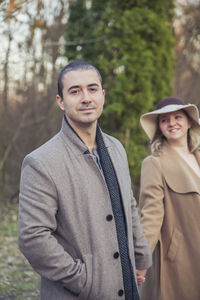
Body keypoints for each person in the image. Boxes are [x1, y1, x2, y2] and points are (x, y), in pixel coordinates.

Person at [18, 61, 152, 300]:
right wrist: (84, 281)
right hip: (80, 293)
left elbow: (128, 206)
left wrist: (141, 256)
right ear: (61, 101)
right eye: (75, 91)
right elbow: (33, 237)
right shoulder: (40, 162)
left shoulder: (116, 148)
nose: (86, 98)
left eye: (92, 89)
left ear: (103, 95)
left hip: (128, 287)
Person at [139, 97, 200, 300]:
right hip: (180, 259)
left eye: (177, 117)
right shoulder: (154, 163)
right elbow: (151, 216)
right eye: (164, 120)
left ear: (189, 121)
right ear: (159, 128)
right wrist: (141, 259)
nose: (172, 123)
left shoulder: (198, 155)